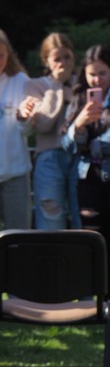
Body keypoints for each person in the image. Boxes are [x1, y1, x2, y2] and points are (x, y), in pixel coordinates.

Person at [61, 45, 110, 321]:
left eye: (103, 73)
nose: (97, 80)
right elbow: (67, 145)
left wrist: (104, 141)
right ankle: (102, 304)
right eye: (92, 74)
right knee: (97, 244)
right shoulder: (78, 99)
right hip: (88, 179)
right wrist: (80, 125)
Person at [19, 32, 80, 229]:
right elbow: (43, 124)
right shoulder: (35, 85)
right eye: (57, 59)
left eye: (67, 57)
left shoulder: (83, 82)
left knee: (83, 216)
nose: (63, 63)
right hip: (50, 159)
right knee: (51, 220)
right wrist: (56, 85)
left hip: (81, 157)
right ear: (46, 61)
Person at [0, 30, 33, 229]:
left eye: (1, 55)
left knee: (18, 236)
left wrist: (23, 118)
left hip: (15, 175)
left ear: (9, 55)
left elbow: (29, 131)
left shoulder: (21, 81)